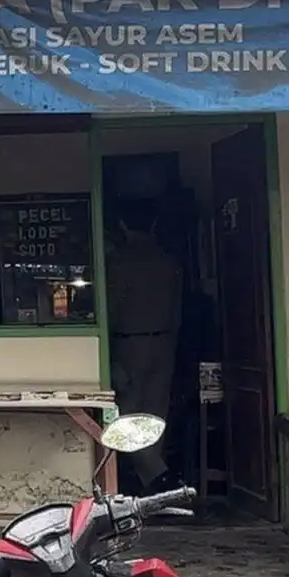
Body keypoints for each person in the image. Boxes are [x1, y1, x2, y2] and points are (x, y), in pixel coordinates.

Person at [106, 199, 185, 496]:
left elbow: (110, 310)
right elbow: (178, 309)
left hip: (129, 343)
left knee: (126, 415)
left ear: (123, 226)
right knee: (155, 415)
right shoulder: (169, 261)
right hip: (165, 342)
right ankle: (155, 479)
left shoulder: (117, 263)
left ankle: (159, 476)